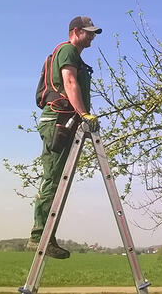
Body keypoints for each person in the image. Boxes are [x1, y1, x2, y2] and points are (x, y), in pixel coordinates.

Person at [26, 16, 102, 259]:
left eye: (93, 33)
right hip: (58, 122)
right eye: (88, 32)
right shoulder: (68, 50)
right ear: (76, 31)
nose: (92, 37)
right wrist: (85, 114)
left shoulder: (74, 54)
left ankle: (48, 236)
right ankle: (40, 236)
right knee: (53, 178)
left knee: (58, 179)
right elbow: (69, 82)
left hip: (64, 122)